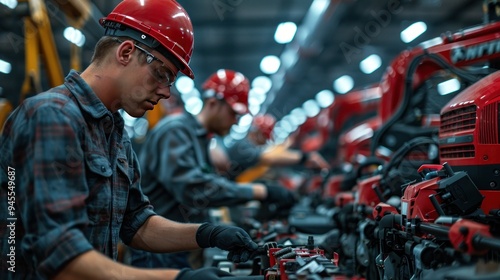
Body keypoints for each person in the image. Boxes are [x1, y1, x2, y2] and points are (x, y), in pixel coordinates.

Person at [0, 1, 258, 279]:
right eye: (162, 75)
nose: (166, 93)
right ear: (125, 52)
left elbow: (137, 223)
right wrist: (178, 278)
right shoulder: (52, 116)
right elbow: (60, 255)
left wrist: (208, 233)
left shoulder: (113, 130)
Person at [131, 68, 297, 268]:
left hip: (179, 245)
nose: (236, 122)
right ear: (212, 103)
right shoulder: (176, 131)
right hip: (161, 250)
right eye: (233, 113)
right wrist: (261, 191)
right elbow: (194, 189)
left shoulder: (198, 137)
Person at [220, 114, 331, 182]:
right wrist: (305, 157)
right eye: (264, 138)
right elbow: (269, 158)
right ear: (257, 133)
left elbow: (273, 153)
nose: (264, 143)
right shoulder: (243, 146)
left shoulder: (246, 145)